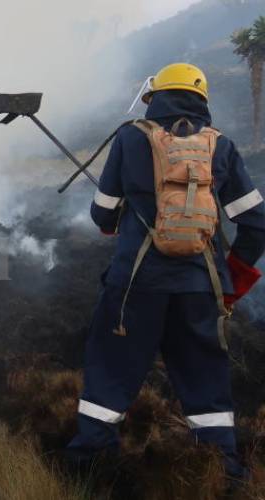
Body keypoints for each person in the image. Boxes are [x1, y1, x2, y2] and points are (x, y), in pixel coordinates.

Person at [65, 63, 265, 479]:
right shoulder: (220, 146)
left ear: (153, 97)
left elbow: (102, 215)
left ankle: (90, 465)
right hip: (199, 287)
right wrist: (231, 284)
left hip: (135, 285)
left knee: (111, 371)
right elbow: (256, 223)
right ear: (202, 100)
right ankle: (223, 474)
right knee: (206, 382)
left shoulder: (129, 138)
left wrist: (124, 215)